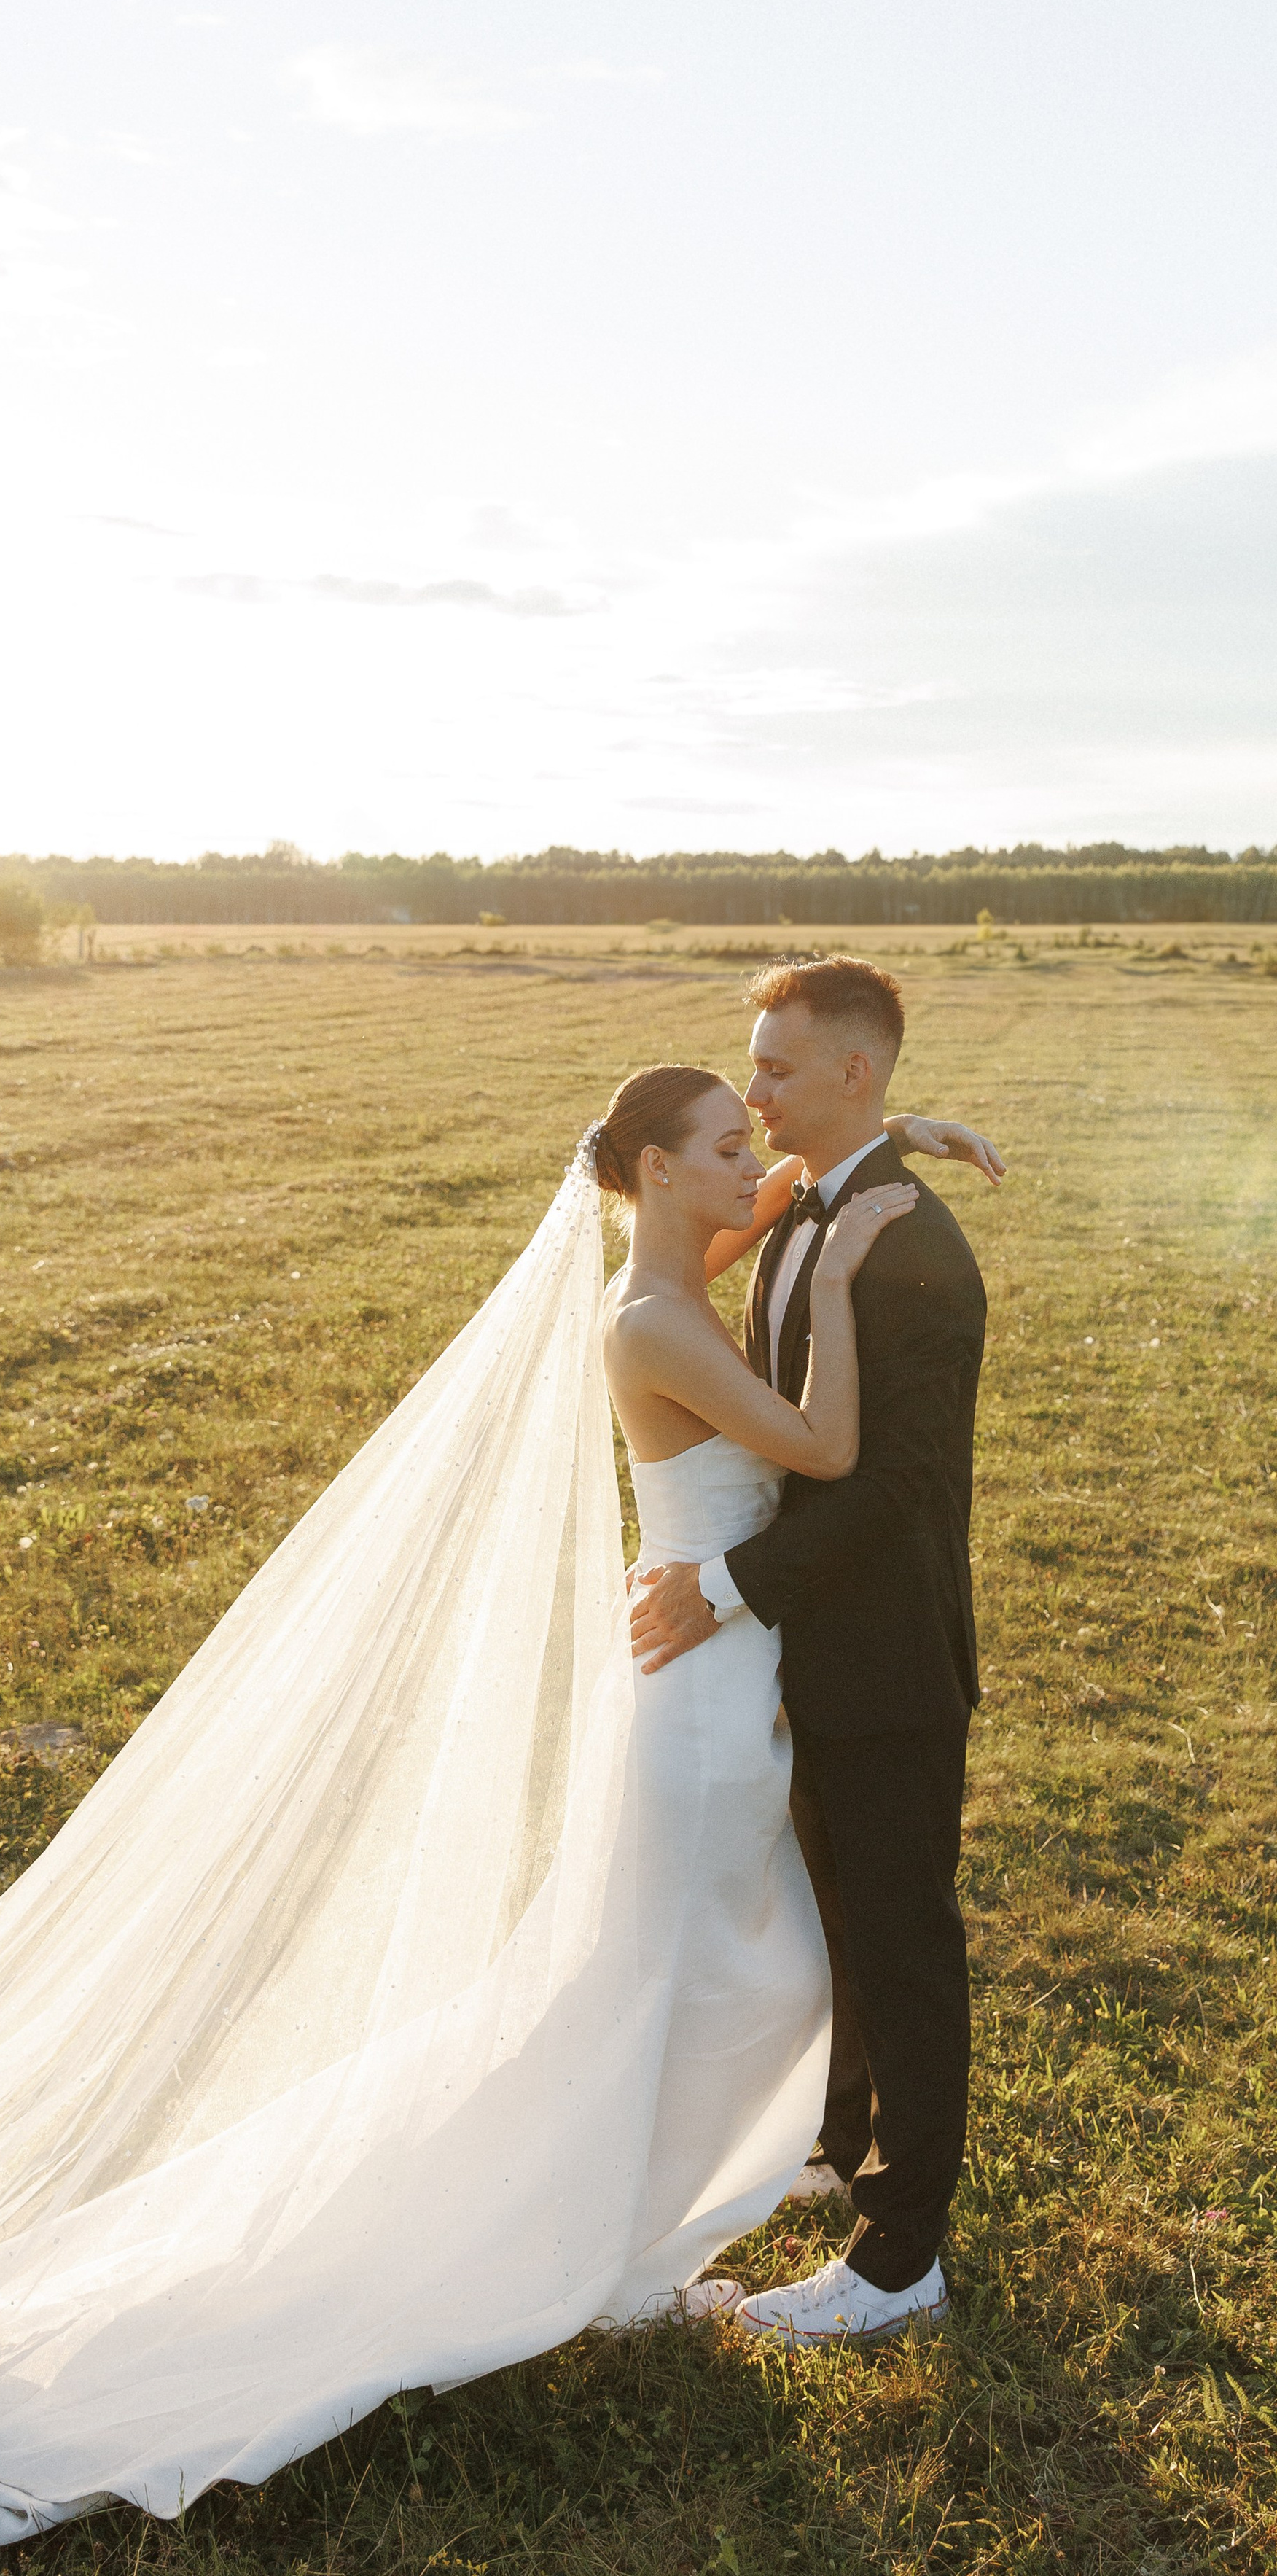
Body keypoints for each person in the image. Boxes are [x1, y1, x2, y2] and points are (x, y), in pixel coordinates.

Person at [0, 1017, 998, 2539]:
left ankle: (640, 2217)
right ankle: (580, 2229)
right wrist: (839, 1267)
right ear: (651, 1170)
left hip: (711, 1672)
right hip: (700, 1691)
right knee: (686, 1970)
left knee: (690, 1963)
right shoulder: (650, 1317)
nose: (751, 1158)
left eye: (756, 1131)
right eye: (724, 1141)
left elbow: (771, 1201)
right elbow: (821, 1449)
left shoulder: (663, 1273)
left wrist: (872, 1150)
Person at [629, 955, 996, 2348]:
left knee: (902, 1945)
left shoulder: (915, 1252)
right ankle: (843, 2153)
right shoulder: (796, 1205)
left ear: (852, 1069)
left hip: (887, 1658)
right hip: (802, 1654)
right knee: (834, 1922)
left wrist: (722, 1586)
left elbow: (891, 1485)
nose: (757, 1090)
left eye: (777, 1068)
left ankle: (901, 2263)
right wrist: (899, 1128)